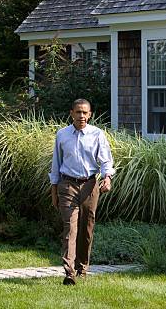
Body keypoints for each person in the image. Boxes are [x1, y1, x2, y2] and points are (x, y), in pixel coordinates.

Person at [50, 98, 115, 285]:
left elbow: (106, 161)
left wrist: (107, 178)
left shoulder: (97, 134)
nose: (81, 116)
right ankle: (69, 272)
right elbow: (56, 164)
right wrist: (54, 191)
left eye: (85, 112)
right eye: (78, 112)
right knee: (70, 227)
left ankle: (82, 268)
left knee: (87, 227)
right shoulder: (62, 135)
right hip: (67, 185)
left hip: (90, 186)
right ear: (71, 113)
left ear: (90, 114)